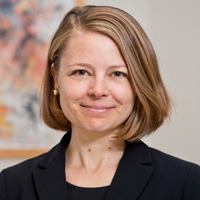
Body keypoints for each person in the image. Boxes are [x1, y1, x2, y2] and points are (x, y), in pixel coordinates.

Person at [0, 5, 200, 200]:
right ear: (56, 78)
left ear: (140, 83)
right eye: (81, 72)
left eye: (117, 74)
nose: (98, 90)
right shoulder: (10, 185)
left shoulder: (187, 183)